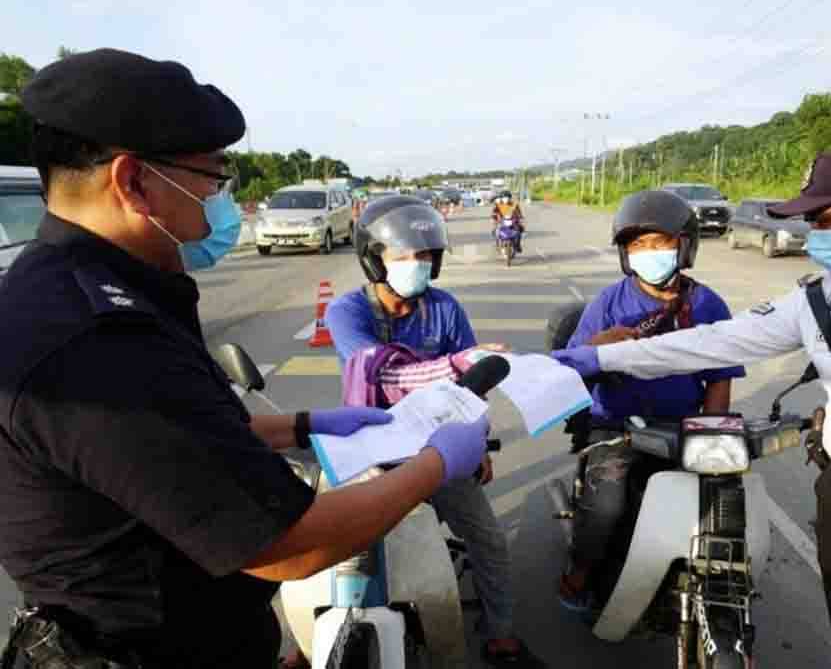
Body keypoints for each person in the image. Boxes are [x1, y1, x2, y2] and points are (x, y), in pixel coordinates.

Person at [0, 49, 489, 669]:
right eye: (210, 176)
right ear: (133, 182)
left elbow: (171, 439)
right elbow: (288, 545)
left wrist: (302, 426)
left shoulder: (98, 286)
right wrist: (434, 463)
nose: (219, 197)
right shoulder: (91, 337)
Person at [553, 143, 831, 669]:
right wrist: (589, 357)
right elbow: (711, 344)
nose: (815, 235)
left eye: (823, 218)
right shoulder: (817, 299)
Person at [324, 195, 546, 668]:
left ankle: (501, 635)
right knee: (338, 550)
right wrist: (453, 366)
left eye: (425, 256)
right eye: (404, 256)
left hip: (438, 447)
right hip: (372, 450)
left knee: (487, 538)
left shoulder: (444, 308)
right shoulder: (346, 312)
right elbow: (379, 372)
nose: (417, 265)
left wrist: (476, 441)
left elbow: (474, 386)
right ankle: (320, 639)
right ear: (373, 258)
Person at [556, 190, 745, 612]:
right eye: (637, 245)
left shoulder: (708, 305)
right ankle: (578, 573)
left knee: (721, 503)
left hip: (681, 428)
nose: (649, 253)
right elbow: (568, 368)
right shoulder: (608, 303)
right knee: (608, 504)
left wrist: (711, 437)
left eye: (659, 243)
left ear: (684, 245)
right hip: (617, 427)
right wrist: (596, 345)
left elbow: (720, 378)